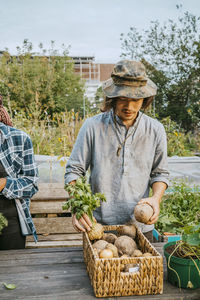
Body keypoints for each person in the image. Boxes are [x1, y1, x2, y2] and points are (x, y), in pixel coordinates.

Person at [65, 60, 169, 242]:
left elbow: (160, 173)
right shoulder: (92, 127)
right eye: (122, 99)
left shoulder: (155, 129)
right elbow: (74, 171)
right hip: (98, 226)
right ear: (112, 97)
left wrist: (156, 199)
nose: (129, 107)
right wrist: (78, 207)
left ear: (145, 99)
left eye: (135, 100)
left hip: (140, 226)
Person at [0, 95, 39, 250]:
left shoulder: (19, 139)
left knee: (13, 271)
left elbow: (32, 184)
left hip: (10, 221)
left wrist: (4, 183)